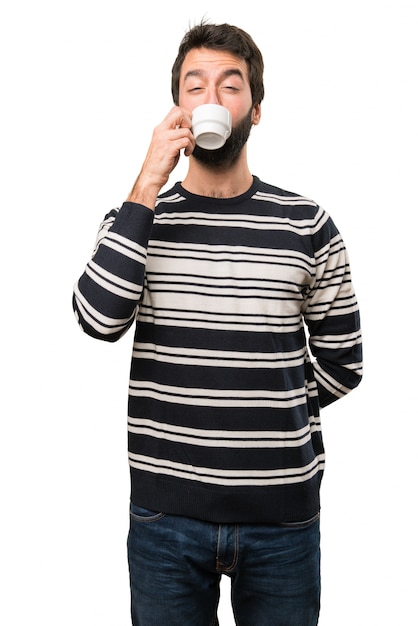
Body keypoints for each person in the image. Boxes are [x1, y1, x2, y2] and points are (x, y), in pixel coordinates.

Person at [73, 21, 362, 626]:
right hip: (164, 521)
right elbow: (98, 318)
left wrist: (267, 402)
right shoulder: (137, 217)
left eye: (230, 86)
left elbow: (344, 362)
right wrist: (149, 179)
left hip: (283, 519)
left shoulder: (308, 225)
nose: (211, 99)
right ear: (178, 108)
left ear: (254, 109)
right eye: (194, 85)